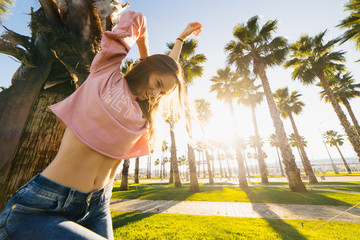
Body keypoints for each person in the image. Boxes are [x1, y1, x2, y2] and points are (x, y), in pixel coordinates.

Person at [0, 9, 202, 240]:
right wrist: (146, 56)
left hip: (97, 208)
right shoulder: (106, 75)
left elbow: (167, 70)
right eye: (156, 84)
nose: (155, 94)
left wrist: (180, 40)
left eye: (162, 92)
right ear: (147, 68)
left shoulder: (143, 113)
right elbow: (136, 19)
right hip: (43, 206)